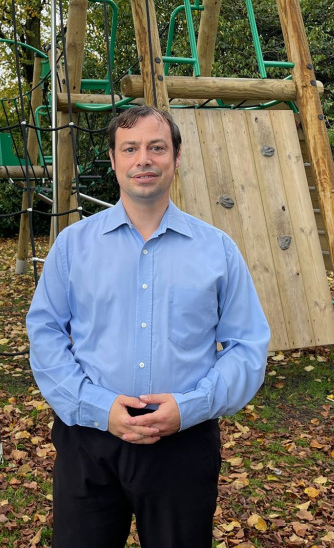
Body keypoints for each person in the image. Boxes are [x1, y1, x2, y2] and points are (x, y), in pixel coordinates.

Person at [26, 105, 270, 548]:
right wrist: (95, 406)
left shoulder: (217, 250)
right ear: (114, 160)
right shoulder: (72, 247)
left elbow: (248, 345)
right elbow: (44, 333)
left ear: (176, 158)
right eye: (131, 149)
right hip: (89, 440)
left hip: (183, 442)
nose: (144, 160)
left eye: (157, 148)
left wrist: (192, 406)